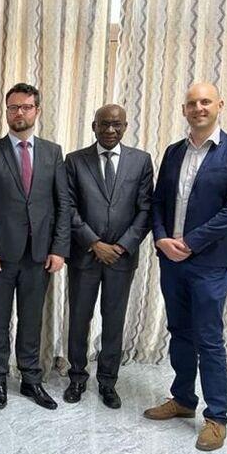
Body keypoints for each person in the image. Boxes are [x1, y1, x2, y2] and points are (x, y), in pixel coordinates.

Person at [144, 82, 227, 451]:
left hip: (210, 263)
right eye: (191, 103)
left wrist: (191, 242)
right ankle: (183, 399)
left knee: (209, 338)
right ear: (184, 110)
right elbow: (157, 201)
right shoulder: (172, 152)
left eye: (205, 102)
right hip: (172, 260)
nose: (198, 108)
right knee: (179, 330)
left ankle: (217, 417)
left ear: (220, 105)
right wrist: (162, 237)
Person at [0, 83, 70, 411]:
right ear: (6, 111)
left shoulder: (53, 152)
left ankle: (31, 379)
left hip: (39, 255)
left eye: (26, 107)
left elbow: (62, 204)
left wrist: (59, 249)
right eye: (13, 107)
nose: (19, 113)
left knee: (32, 320)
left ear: (36, 111)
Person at [64, 105, 153, 408]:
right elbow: (69, 208)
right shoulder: (75, 161)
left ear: (126, 126)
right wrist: (93, 242)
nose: (110, 130)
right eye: (104, 125)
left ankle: (107, 382)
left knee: (113, 321)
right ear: (93, 126)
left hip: (121, 259)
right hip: (85, 257)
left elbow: (145, 210)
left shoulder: (141, 161)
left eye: (117, 125)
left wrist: (123, 245)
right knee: (79, 319)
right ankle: (76, 377)